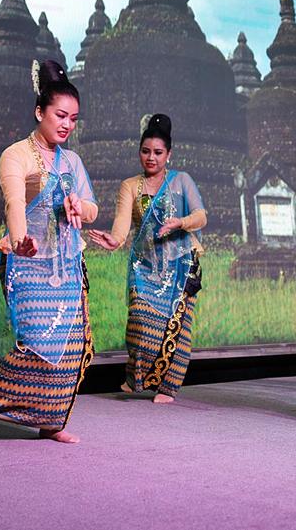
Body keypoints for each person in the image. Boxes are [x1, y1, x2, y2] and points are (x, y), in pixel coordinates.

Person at [0, 60, 97, 443]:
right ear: (40, 111)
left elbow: (92, 208)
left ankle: (51, 423)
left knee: (71, 343)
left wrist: (78, 206)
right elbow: (14, 203)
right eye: (60, 115)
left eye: (73, 119)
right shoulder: (15, 155)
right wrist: (20, 239)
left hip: (66, 263)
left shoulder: (72, 161)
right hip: (25, 261)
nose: (66, 125)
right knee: (37, 339)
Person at [88, 114, 206, 403]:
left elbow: (201, 216)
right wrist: (114, 240)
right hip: (146, 264)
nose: (151, 158)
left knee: (177, 327)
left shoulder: (182, 181)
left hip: (181, 264)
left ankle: (168, 388)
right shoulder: (130, 185)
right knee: (139, 320)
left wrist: (180, 223)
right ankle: (137, 377)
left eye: (158, 152)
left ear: (169, 154)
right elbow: (122, 224)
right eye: (145, 151)